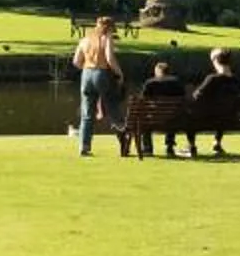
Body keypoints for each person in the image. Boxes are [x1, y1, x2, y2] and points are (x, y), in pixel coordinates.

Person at [71, 15, 123, 156]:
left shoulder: (85, 39)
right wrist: (119, 73)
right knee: (113, 109)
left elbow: (76, 61)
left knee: (87, 113)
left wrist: (88, 69)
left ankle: (84, 146)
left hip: (86, 74)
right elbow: (109, 58)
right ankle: (124, 143)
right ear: (109, 27)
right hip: (102, 73)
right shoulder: (106, 38)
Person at [185, 47, 240, 158]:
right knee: (224, 109)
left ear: (215, 61)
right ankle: (217, 143)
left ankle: (191, 146)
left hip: (208, 119)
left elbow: (196, 97)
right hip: (230, 119)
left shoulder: (212, 79)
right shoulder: (237, 81)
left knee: (188, 114)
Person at [123, 58, 189, 158]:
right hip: (174, 119)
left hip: (152, 120)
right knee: (172, 115)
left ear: (157, 72)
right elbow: (184, 100)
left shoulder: (150, 83)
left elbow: (142, 101)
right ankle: (169, 147)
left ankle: (148, 148)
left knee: (144, 118)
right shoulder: (177, 82)